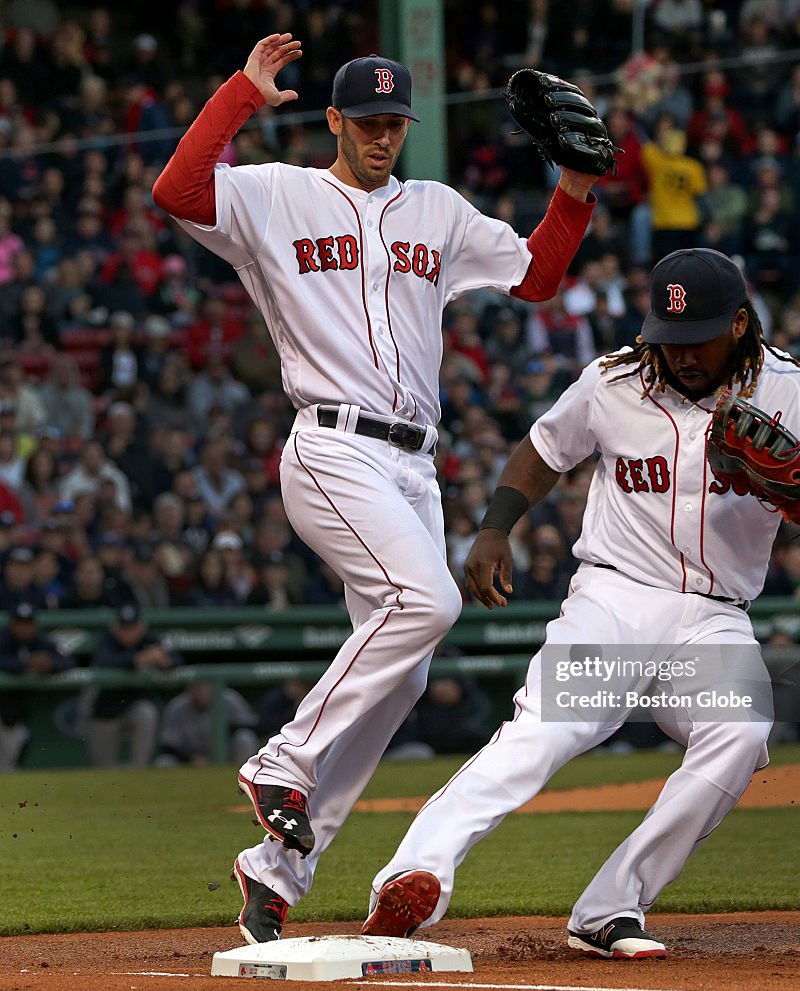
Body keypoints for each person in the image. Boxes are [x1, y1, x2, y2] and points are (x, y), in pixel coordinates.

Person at [152, 35, 601, 944]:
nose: (381, 136)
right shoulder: (274, 194)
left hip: (412, 464)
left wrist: (576, 192)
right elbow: (177, 191)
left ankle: (273, 871)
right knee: (424, 603)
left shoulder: (434, 208)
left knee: (403, 670)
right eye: (366, 121)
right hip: (328, 445)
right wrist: (241, 94)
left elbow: (538, 277)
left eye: (394, 122)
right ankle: (281, 761)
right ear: (334, 122)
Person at [361, 248, 800, 958]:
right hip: (613, 601)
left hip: (714, 617)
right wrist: (496, 527)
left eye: (696, 337)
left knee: (739, 735)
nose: (677, 354)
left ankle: (612, 905)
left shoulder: (799, 391)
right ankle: (413, 872)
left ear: (739, 323)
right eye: (666, 337)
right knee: (542, 734)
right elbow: (542, 450)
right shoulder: (613, 380)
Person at [83, 603, 179, 768]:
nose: (128, 633)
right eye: (124, 627)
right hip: (104, 711)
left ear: (141, 627)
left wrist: (164, 661)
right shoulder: (107, 640)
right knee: (103, 771)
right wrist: (138, 659)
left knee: (146, 713)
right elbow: (104, 661)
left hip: (134, 707)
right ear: (116, 627)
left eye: (133, 627)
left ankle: (139, 768)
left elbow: (177, 660)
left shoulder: (150, 639)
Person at [0, 602, 75, 770]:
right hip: (4, 711)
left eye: (28, 623)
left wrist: (50, 664)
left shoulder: (39, 641)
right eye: (20, 623)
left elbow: (68, 659)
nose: (24, 628)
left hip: (15, 714)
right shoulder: (3, 638)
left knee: (8, 764)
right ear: (12, 624)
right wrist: (25, 663)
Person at [154, 680, 259, 767]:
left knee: (245, 738)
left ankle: (244, 780)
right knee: (163, 762)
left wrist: (227, 732)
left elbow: (250, 726)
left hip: (228, 754)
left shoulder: (230, 699)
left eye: (204, 687)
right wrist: (191, 757)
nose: (201, 692)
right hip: (190, 760)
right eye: (196, 688)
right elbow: (169, 745)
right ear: (188, 689)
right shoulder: (177, 706)